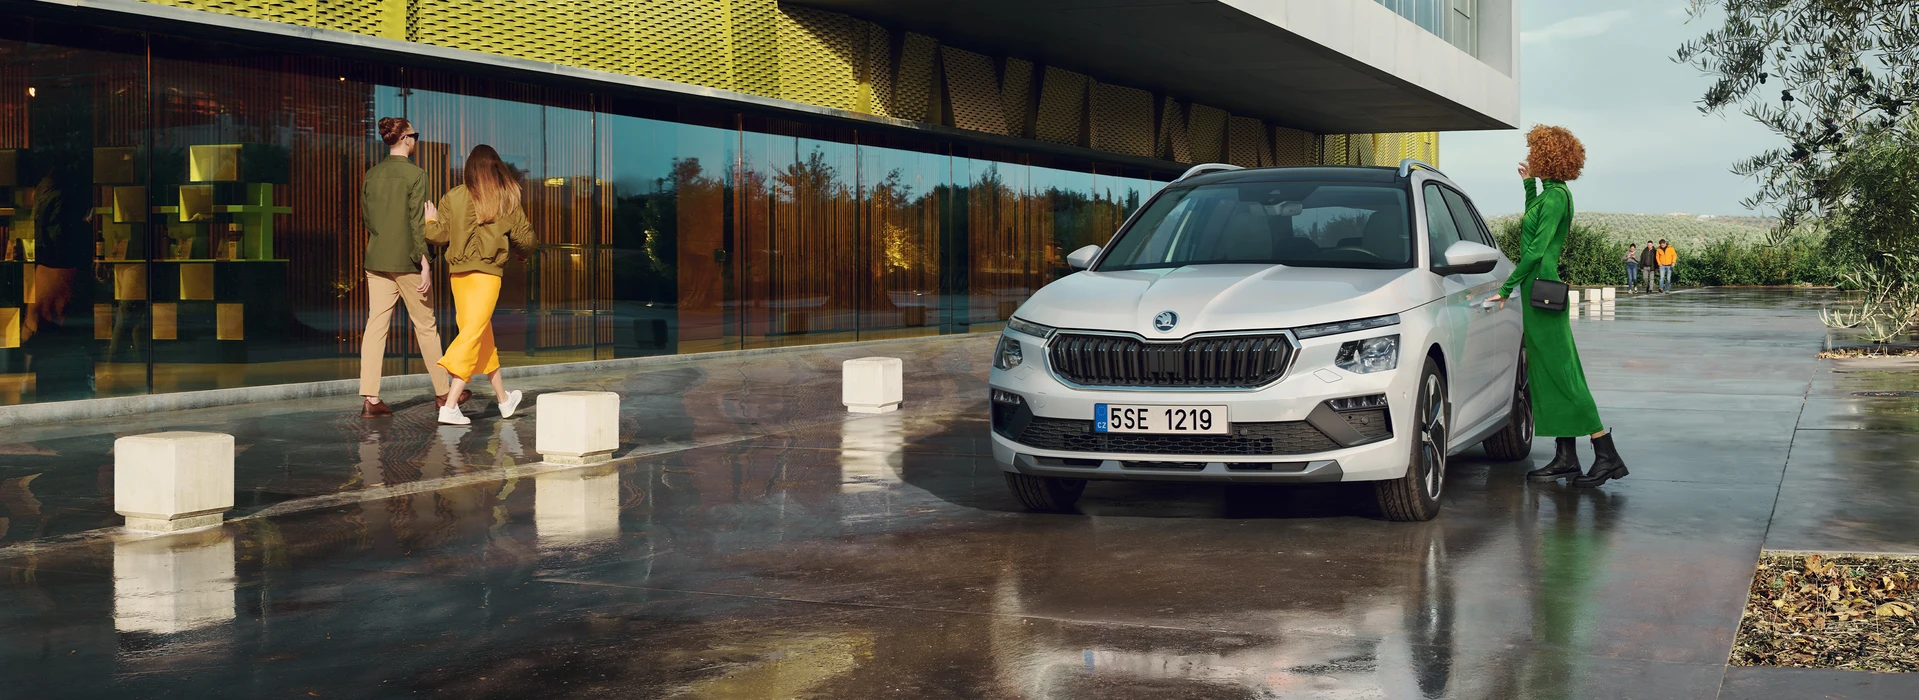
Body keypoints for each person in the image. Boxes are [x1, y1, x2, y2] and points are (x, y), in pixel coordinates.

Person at [1485, 125, 1628, 487]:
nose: (1530, 155)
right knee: (1548, 372)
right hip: (1541, 289)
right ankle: (1566, 457)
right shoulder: (1552, 193)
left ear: (1547, 156)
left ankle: (1605, 452)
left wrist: (1507, 288)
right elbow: (1534, 223)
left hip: (1540, 291)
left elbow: (1534, 249)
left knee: (1563, 373)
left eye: (1535, 151)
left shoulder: (1556, 197)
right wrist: (1528, 184)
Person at [425, 144, 535, 426]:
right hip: (487, 276)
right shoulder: (506, 197)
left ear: (470, 168)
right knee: (473, 335)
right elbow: (525, 237)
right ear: (495, 166)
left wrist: (429, 221)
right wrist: (523, 254)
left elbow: (439, 236)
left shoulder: (453, 196)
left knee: (480, 336)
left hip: (459, 276)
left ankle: (504, 400)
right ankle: (449, 406)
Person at [359, 117, 460, 418]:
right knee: (426, 326)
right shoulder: (417, 175)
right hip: (407, 261)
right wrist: (425, 262)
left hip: (376, 259)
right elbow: (418, 224)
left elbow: (368, 220)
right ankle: (444, 393)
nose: (416, 139)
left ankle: (371, 398)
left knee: (375, 326)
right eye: (414, 135)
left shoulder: (371, 175)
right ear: (405, 139)